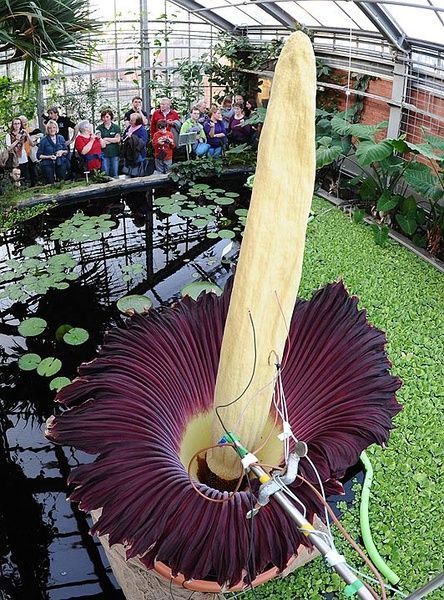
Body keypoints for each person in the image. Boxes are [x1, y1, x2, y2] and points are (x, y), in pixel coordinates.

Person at [5, 117, 32, 183]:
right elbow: (8, 148)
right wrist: (17, 140)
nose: (17, 125)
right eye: (15, 124)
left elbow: (32, 144)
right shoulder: (9, 135)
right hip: (14, 158)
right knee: (15, 177)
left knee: (25, 175)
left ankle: (26, 188)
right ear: (12, 125)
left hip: (23, 157)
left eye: (18, 123)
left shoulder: (23, 133)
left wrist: (27, 135)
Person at [97, 109, 121, 177]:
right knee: (105, 173)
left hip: (115, 153)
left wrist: (105, 139)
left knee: (115, 173)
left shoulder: (116, 127)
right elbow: (100, 142)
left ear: (111, 117)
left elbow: (117, 140)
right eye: (103, 117)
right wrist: (112, 139)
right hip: (104, 154)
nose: (105, 119)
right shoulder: (99, 128)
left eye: (107, 117)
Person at [19, 115, 40, 187]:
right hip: (22, 155)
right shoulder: (18, 132)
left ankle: (35, 184)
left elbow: (38, 136)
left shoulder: (31, 130)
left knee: (33, 169)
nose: (24, 123)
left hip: (30, 153)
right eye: (22, 122)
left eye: (25, 121)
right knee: (25, 171)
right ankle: (26, 185)